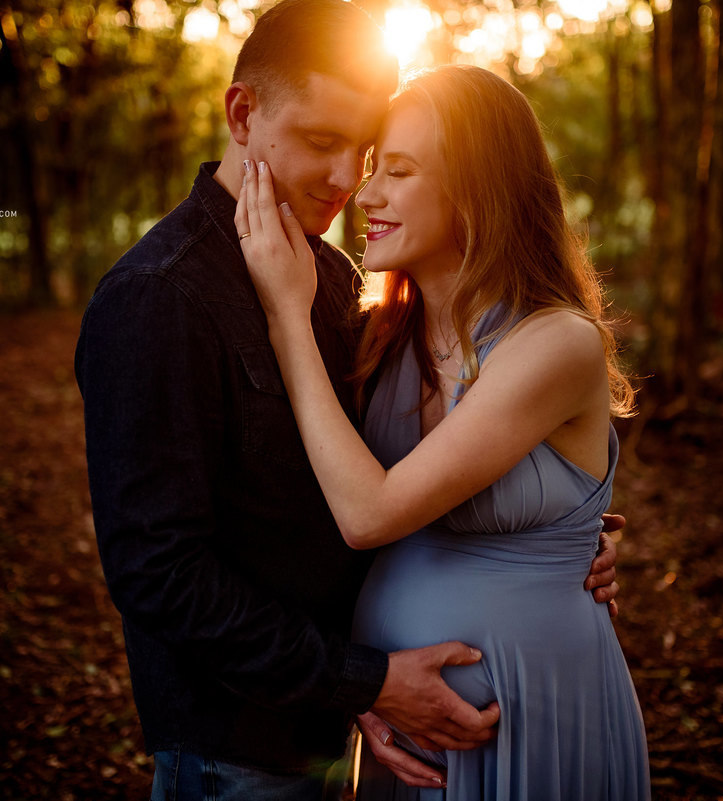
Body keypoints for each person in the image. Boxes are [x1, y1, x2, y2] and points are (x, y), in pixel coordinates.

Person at [76, 2, 621, 798]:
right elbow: (158, 569)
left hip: (360, 734)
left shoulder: (342, 290)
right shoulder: (157, 298)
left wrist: (573, 539)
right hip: (238, 750)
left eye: (367, 151)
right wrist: (362, 679)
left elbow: (395, 479)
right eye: (323, 142)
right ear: (242, 112)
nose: (348, 180)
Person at [234, 63, 650, 799]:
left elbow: (369, 515)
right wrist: (360, 680)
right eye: (373, 169)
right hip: (404, 725)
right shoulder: (378, 338)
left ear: (475, 189)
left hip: (536, 713)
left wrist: (285, 316)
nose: (366, 194)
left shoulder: (555, 342)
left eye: (398, 171)